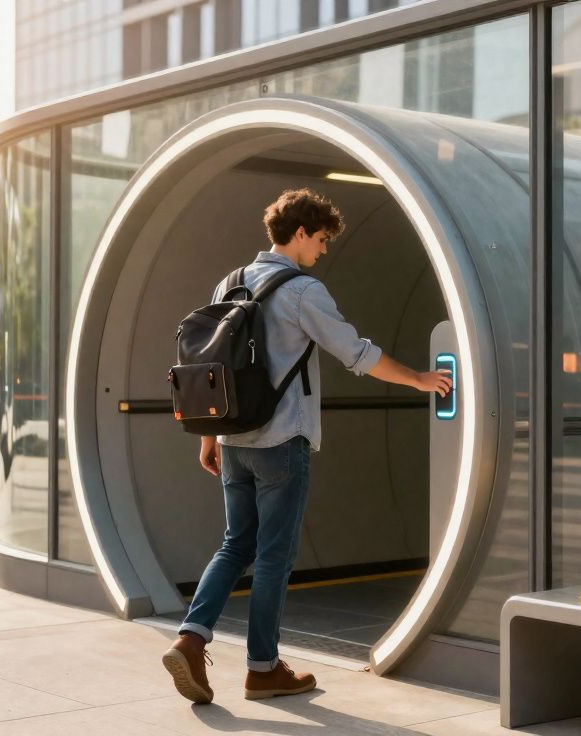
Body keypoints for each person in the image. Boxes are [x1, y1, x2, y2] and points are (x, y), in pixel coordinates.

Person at [161, 189, 452, 705]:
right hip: (281, 441)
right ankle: (263, 668)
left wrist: (209, 436)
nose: (322, 251)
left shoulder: (228, 283)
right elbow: (355, 353)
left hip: (232, 439)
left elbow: (214, 368)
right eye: (320, 240)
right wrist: (418, 379)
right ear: (299, 234)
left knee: (235, 544)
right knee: (273, 557)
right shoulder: (301, 290)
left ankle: (190, 638)